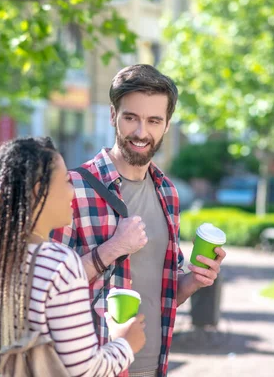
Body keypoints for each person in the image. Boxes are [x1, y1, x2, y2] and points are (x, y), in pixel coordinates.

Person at [51, 64, 226, 377]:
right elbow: (46, 288)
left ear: (167, 125)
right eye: (131, 117)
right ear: (112, 116)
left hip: (153, 366)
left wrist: (194, 281)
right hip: (92, 368)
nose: (141, 132)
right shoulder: (72, 188)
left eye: (153, 120)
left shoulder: (168, 193)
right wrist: (114, 248)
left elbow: (165, 290)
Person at [0, 137, 146, 377]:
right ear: (38, 191)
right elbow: (86, 371)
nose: (72, 191)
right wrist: (125, 343)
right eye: (65, 181)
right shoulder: (59, 265)